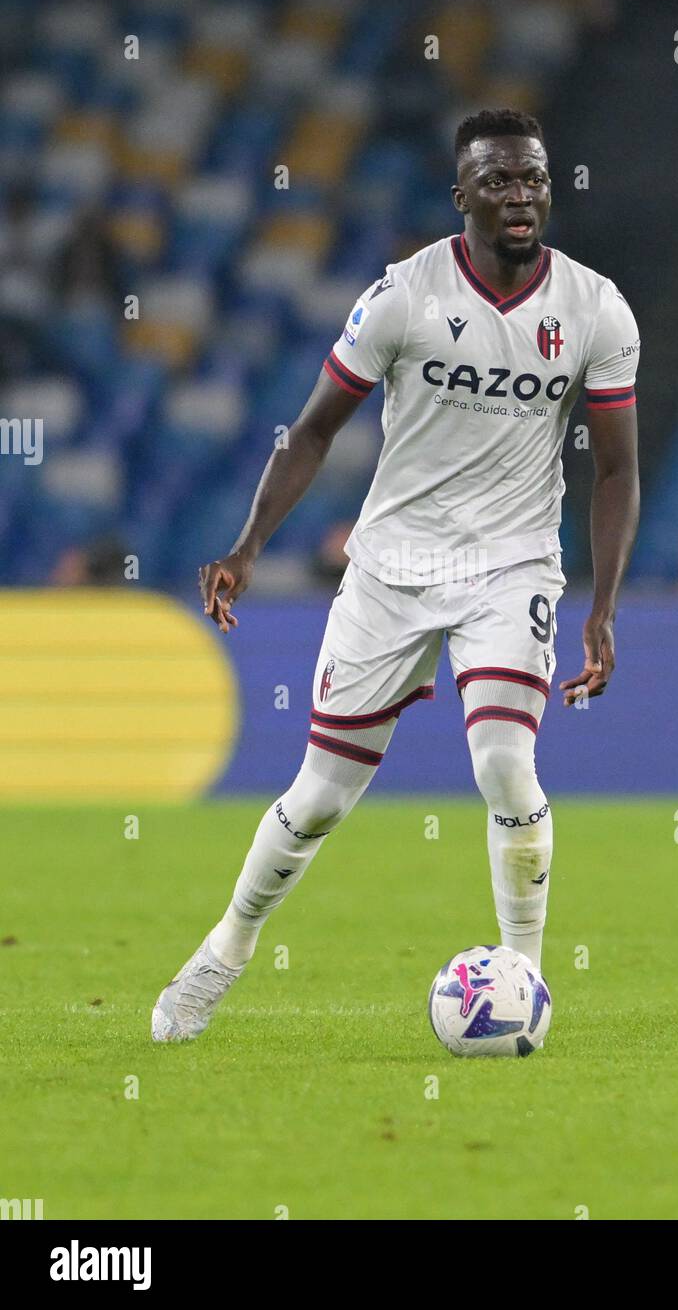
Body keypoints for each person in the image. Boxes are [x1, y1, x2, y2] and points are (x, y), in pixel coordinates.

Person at [151, 108, 641, 1042]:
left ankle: (523, 975)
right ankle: (227, 948)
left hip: (513, 562)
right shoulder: (402, 298)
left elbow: (616, 469)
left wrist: (603, 607)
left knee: (504, 761)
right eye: (497, 180)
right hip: (391, 566)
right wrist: (248, 546)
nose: (520, 195)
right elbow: (312, 431)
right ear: (461, 198)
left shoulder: (595, 308)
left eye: (532, 178)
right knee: (320, 796)